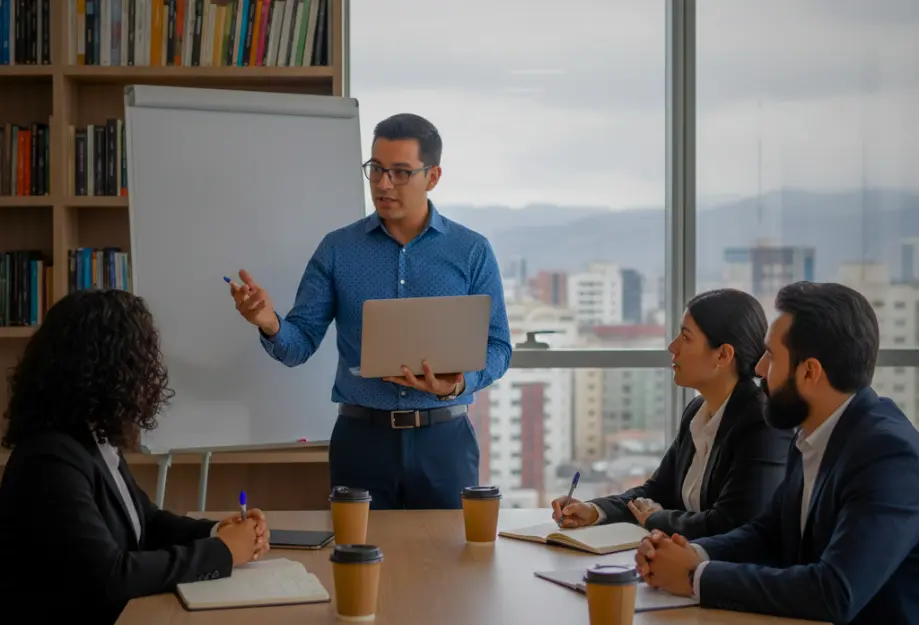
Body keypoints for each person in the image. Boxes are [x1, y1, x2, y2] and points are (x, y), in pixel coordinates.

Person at [229, 113, 512, 510]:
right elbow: (299, 344)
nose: (382, 184)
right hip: (361, 442)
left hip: (444, 441)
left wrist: (459, 383)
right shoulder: (337, 249)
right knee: (357, 561)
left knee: (451, 565)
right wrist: (270, 324)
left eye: (399, 172)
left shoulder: (471, 251)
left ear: (432, 177)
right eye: (376, 169)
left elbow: (499, 346)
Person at [635, 281, 919, 625]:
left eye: (771, 356)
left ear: (809, 372)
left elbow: (835, 591)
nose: (758, 369)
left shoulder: (889, 455)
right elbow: (769, 532)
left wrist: (696, 576)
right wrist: (691, 553)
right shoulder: (811, 431)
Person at [0, 289, 272, 625]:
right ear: (108, 369)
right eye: (140, 360)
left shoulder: (91, 439)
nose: (149, 374)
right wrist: (224, 551)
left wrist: (218, 531)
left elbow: (147, 524)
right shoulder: (49, 461)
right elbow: (110, 575)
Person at [551, 288, 792, 539]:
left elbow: (732, 523)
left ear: (722, 354)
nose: (672, 346)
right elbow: (656, 492)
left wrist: (658, 519)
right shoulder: (697, 411)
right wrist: (594, 510)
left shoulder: (762, 424)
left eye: (686, 337)